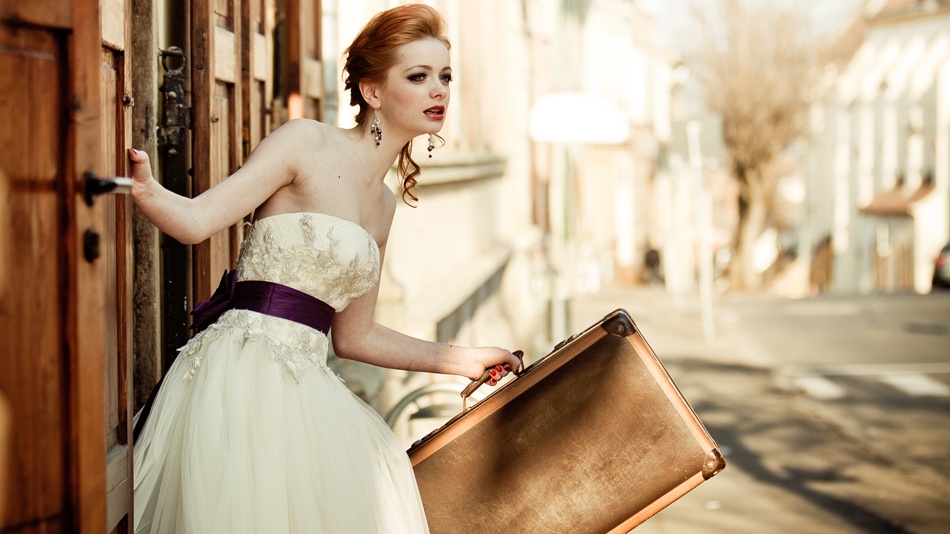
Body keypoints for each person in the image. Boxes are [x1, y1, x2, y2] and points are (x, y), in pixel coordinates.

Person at [129, 4, 520, 533]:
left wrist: (465, 360)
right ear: (372, 90)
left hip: (308, 390)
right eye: (419, 76)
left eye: (445, 77)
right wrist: (147, 190)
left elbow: (355, 337)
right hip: (241, 378)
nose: (439, 91)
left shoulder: (383, 206)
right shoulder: (305, 142)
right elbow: (197, 222)